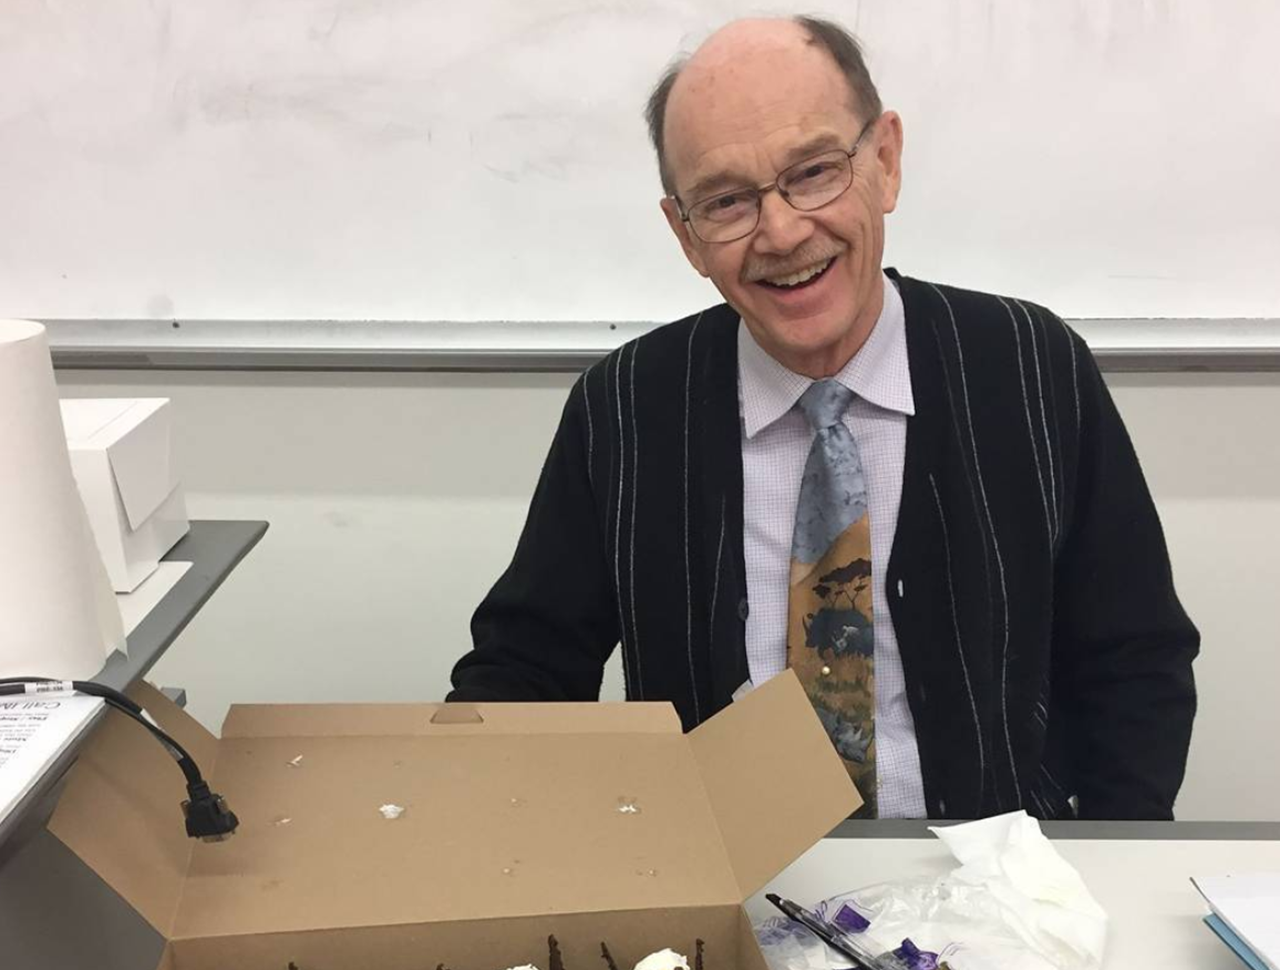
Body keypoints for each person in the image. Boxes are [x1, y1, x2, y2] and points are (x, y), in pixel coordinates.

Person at [449, 15, 1199, 821]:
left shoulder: (1030, 366)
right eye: (727, 200)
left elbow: (1135, 659)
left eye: (813, 172)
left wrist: (1100, 868)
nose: (781, 231)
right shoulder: (624, 411)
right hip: (729, 882)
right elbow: (525, 666)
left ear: (885, 162)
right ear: (686, 235)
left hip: (997, 881)